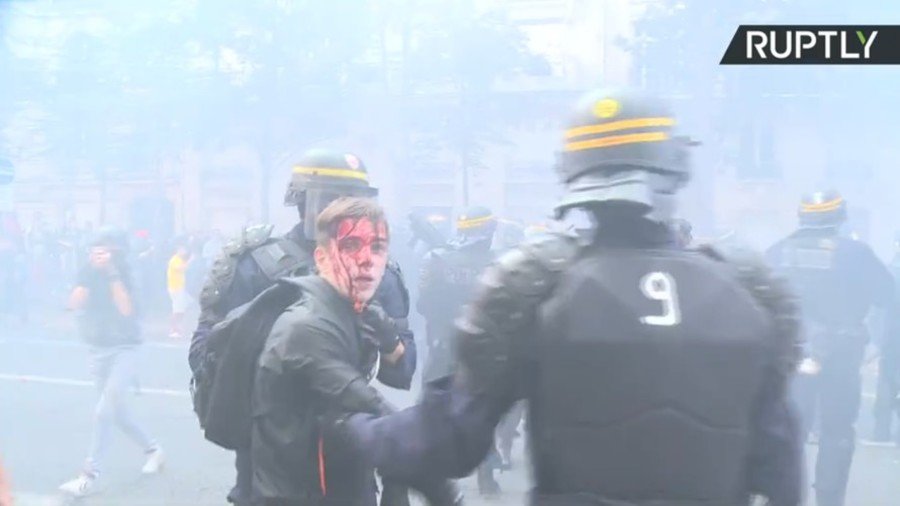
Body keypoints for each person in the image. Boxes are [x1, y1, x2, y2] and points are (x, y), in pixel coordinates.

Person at [327, 89, 805, 506]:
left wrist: (354, 431)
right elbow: (781, 469)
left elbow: (449, 440)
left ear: (573, 169)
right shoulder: (745, 286)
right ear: (675, 164)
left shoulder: (536, 282)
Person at [189, 149, 419, 506]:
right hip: (268, 459)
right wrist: (264, 331)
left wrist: (385, 336)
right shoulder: (255, 265)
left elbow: (403, 370)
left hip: (349, 460)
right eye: (339, 200)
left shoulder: (377, 272)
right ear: (307, 202)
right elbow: (203, 359)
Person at [766, 190, 893, 506]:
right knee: (837, 432)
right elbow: (888, 295)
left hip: (791, 356)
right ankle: (829, 498)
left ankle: (783, 498)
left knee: (790, 431)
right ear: (839, 218)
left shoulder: (778, 252)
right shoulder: (856, 253)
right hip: (841, 356)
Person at [59, 228, 164, 497]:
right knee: (118, 414)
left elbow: (127, 310)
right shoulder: (87, 271)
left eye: (105, 250)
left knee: (103, 412)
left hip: (124, 349)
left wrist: (111, 273)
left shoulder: (128, 272)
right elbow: (73, 303)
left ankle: (88, 476)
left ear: (117, 251)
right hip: (97, 349)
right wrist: (91, 273)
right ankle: (153, 450)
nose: (100, 255)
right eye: (96, 250)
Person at [872, 231, 900, 443]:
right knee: (887, 385)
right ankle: (881, 432)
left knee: (887, 385)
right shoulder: (891, 271)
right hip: (892, 339)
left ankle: (881, 432)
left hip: (891, 338)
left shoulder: (890, 271)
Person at [167, 244, 192, 338]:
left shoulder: (180, 260)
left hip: (180, 288)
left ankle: (178, 328)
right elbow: (182, 268)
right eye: (182, 250)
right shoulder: (174, 260)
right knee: (177, 310)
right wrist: (190, 261)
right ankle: (173, 329)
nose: (184, 251)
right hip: (175, 288)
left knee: (181, 309)